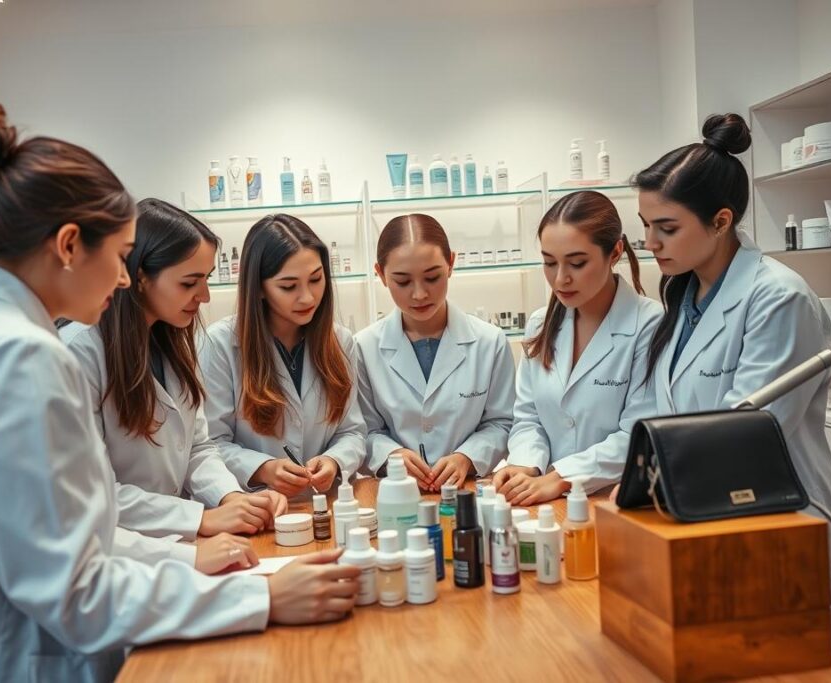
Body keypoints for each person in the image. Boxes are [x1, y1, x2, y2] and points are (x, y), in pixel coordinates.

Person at [0, 97, 359, 682]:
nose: (123, 278)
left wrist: (189, 549)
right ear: (67, 246)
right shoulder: (16, 359)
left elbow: (81, 531)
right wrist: (260, 599)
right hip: (3, 660)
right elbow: (74, 589)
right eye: (117, 257)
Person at [634, 113, 831, 658]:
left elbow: (750, 431)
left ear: (722, 220)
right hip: (705, 516)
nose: (650, 242)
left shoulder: (778, 297)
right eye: (645, 225)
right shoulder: (683, 296)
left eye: (667, 227)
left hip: (777, 520)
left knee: (792, 663)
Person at [60, 198, 288, 572]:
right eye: (189, 282)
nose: (205, 296)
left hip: (173, 544)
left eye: (206, 279)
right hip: (120, 554)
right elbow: (95, 493)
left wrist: (229, 498)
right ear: (139, 277)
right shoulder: (81, 354)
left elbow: (196, 445)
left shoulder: (169, 341)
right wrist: (199, 518)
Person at [493, 191, 660, 505]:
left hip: (614, 500)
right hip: (546, 499)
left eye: (577, 263)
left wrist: (559, 478)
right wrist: (525, 465)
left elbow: (640, 433)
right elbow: (529, 418)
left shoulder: (649, 325)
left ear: (615, 253)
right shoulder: (541, 324)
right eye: (549, 262)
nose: (560, 279)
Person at [199, 214, 366, 498]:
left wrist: (334, 461)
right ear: (259, 288)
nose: (308, 297)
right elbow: (209, 443)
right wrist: (263, 468)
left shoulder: (340, 341)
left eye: (316, 279)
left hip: (326, 505)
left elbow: (352, 431)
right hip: (256, 507)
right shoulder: (220, 344)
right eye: (288, 286)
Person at [355, 213, 514, 490]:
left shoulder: (490, 342)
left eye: (432, 277)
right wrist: (392, 455)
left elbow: (503, 423)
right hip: (396, 491)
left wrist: (466, 457)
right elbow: (362, 431)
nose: (419, 294)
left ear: (451, 263)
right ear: (380, 274)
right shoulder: (364, 347)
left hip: (468, 489)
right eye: (402, 281)